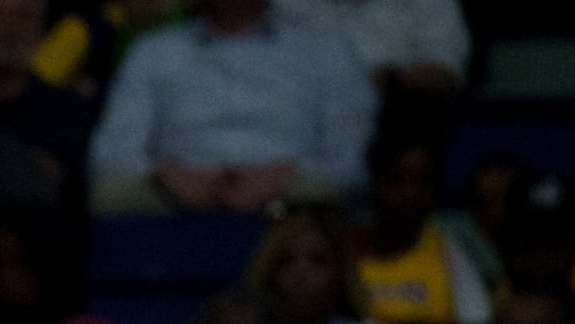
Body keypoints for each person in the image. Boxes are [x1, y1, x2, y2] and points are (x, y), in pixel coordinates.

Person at [87, 0, 373, 214]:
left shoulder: (326, 49)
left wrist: (284, 178)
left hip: (293, 195)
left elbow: (352, 154)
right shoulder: (154, 51)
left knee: (330, 189)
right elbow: (111, 152)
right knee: (110, 191)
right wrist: (164, 176)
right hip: (175, 194)